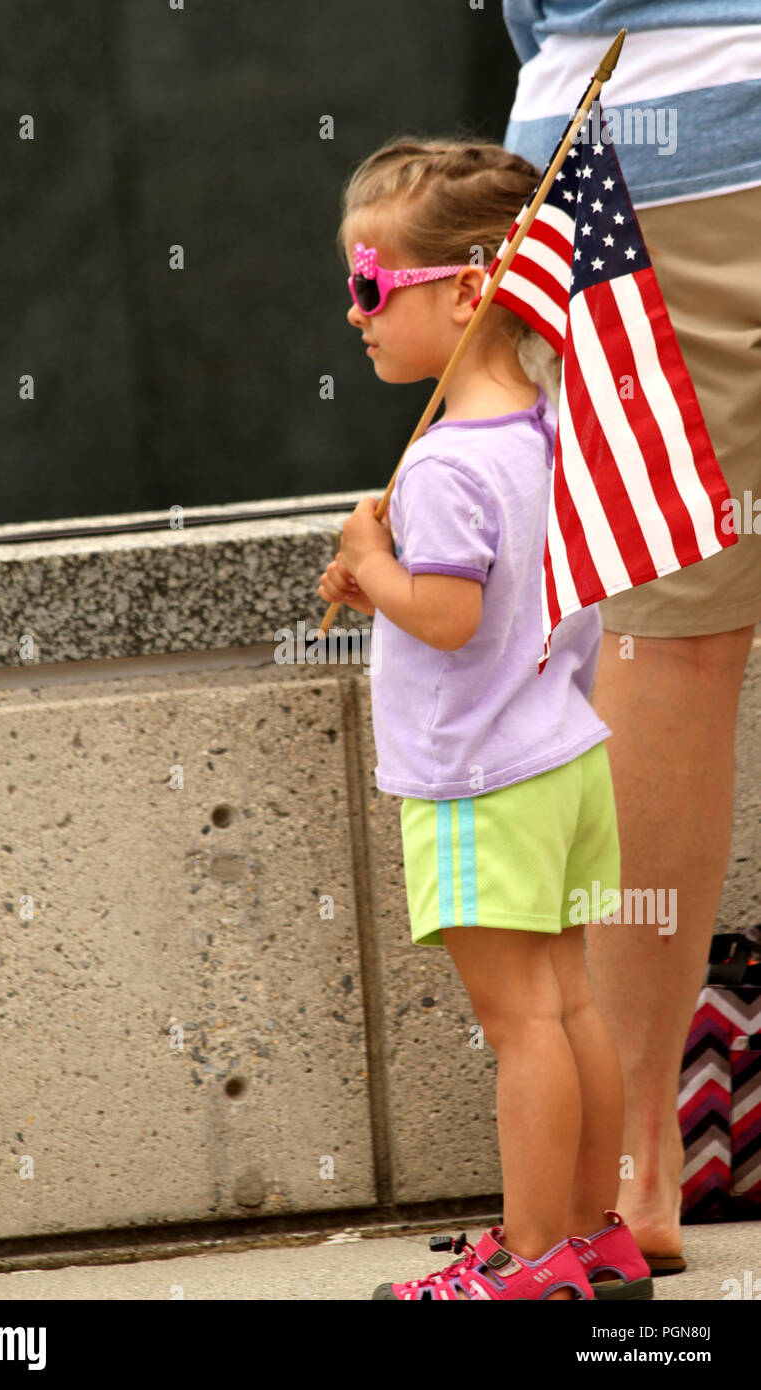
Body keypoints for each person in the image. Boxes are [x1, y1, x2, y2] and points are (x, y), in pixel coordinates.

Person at [317, 138, 652, 1301]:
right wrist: (388, 584)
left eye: (369, 284)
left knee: (519, 1029)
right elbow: (491, 601)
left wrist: (372, 555)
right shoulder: (549, 433)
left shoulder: (442, 469)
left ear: (465, 289)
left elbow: (451, 620)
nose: (352, 313)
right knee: (569, 1005)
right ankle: (593, 1231)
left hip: (478, 782)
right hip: (561, 759)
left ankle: (527, 1260)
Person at [500, 0, 761, 1274]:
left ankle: (631, 1161)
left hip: (664, 114)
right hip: (673, 121)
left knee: (673, 631)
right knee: (669, 627)